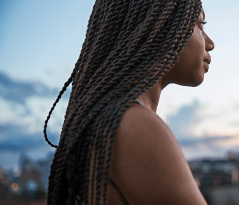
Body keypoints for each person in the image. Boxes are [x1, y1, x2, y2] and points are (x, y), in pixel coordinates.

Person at [43, 0, 214, 204]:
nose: (210, 43)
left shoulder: (109, 118)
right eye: (200, 24)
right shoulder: (135, 126)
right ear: (163, 23)